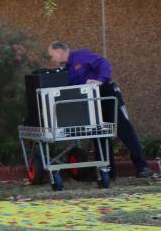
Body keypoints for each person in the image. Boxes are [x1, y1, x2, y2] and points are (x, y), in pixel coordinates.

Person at [47, 41, 154, 178]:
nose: (52, 59)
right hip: (90, 102)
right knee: (99, 134)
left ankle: (142, 167)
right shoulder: (66, 70)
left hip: (105, 94)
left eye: (52, 55)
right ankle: (108, 171)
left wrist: (100, 79)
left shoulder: (82, 56)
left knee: (124, 130)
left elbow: (104, 63)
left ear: (59, 51)